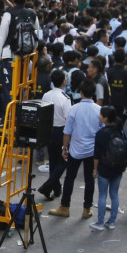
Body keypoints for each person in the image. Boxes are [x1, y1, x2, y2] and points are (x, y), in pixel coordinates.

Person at [49, 79, 101, 219]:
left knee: (69, 178)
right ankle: (86, 209)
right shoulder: (99, 110)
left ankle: (65, 207)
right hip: (92, 150)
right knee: (90, 179)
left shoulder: (74, 109)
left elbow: (67, 132)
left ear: (81, 92)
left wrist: (64, 148)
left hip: (76, 150)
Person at [0, 0, 40, 109]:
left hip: (9, 56)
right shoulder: (33, 14)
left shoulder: (8, 14)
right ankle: (18, 116)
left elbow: (2, 38)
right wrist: (31, 50)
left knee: (8, 89)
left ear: (13, 0)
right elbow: (37, 35)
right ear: (26, 0)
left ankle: (7, 117)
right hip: (26, 57)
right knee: (21, 87)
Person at [90, 107, 127, 231]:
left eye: (101, 115)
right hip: (118, 168)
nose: (99, 116)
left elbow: (96, 155)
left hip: (104, 168)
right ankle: (111, 222)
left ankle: (100, 223)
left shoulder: (101, 133)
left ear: (105, 118)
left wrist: (95, 170)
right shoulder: (120, 131)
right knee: (114, 194)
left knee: (102, 195)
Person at [38, 70, 72, 200]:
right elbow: (68, 119)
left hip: (48, 130)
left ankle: (56, 189)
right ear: (64, 81)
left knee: (53, 161)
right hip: (60, 131)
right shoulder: (65, 98)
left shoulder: (46, 95)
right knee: (64, 160)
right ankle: (48, 186)